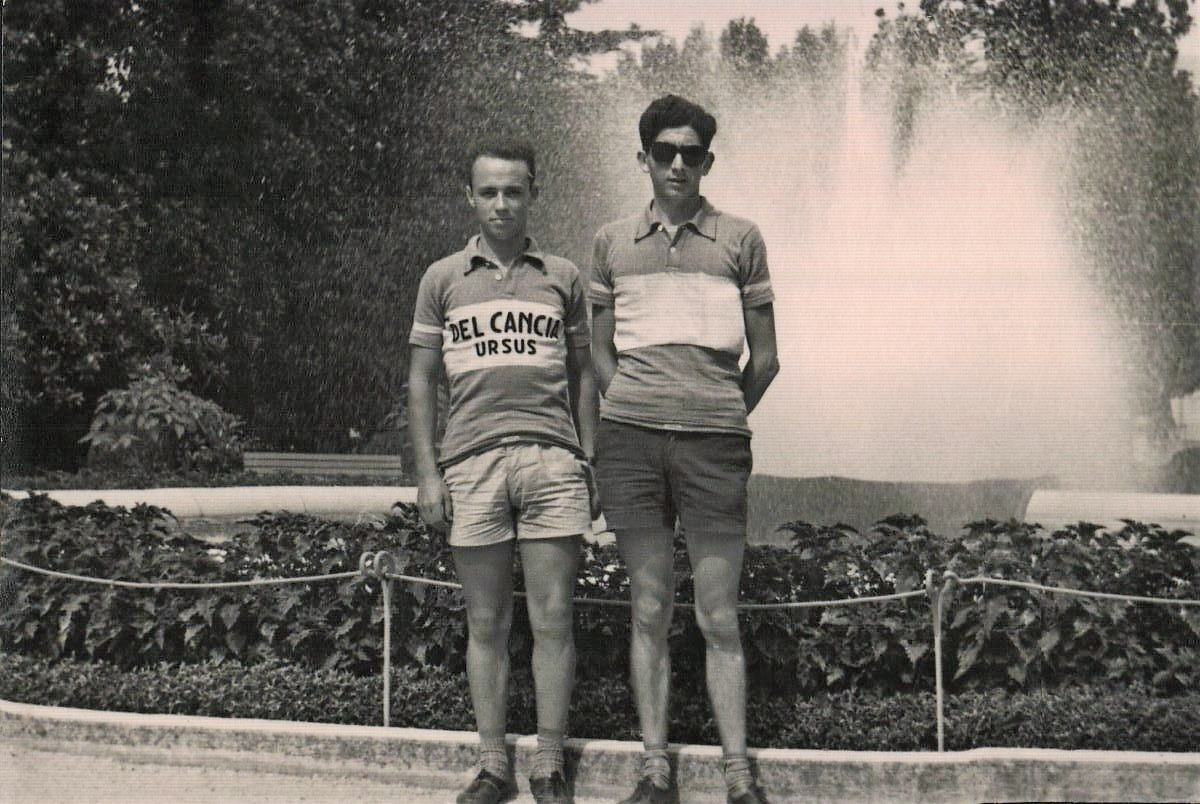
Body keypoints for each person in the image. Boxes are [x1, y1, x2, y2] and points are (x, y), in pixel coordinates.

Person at [589, 95, 779, 804]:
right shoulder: (611, 242)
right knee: (648, 606)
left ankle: (738, 774)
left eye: (690, 154)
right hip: (631, 445)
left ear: (707, 161)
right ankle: (654, 769)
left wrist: (719, 414)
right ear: (643, 158)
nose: (677, 164)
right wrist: (633, 407)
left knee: (718, 614)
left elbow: (766, 359)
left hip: (713, 449)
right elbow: (599, 353)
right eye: (664, 152)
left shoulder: (741, 239)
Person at [408, 139, 598, 804]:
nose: (501, 204)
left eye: (513, 191)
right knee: (486, 623)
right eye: (488, 192)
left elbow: (583, 374)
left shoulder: (563, 277)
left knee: (553, 619)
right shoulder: (442, 279)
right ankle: (493, 765)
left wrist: (588, 456)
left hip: (550, 461)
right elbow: (421, 379)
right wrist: (428, 474)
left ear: (532, 194)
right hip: (472, 463)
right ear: (470, 197)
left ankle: (548, 763)